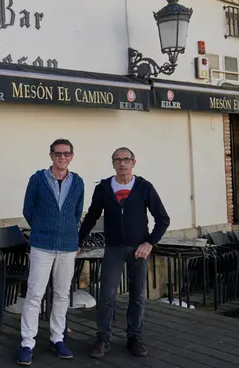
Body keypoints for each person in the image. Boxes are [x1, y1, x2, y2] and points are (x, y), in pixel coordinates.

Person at [78, 147, 170, 359]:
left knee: (137, 295)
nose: (122, 163)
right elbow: (91, 217)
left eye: (126, 159)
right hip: (114, 249)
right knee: (107, 294)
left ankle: (134, 337)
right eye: (117, 160)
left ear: (133, 162)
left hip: (139, 250)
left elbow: (163, 219)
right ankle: (103, 338)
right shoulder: (103, 188)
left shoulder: (144, 187)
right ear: (113, 164)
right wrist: (78, 241)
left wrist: (149, 243)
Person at [17, 139, 85, 366]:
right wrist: (42, 228)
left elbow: (76, 213)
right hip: (41, 245)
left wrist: (66, 232)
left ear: (72, 156)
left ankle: (58, 338)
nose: (62, 158)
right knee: (34, 294)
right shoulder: (37, 180)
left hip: (67, 246)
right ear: (51, 155)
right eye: (58, 154)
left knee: (62, 294)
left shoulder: (78, 182)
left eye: (66, 154)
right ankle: (27, 342)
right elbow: (28, 209)